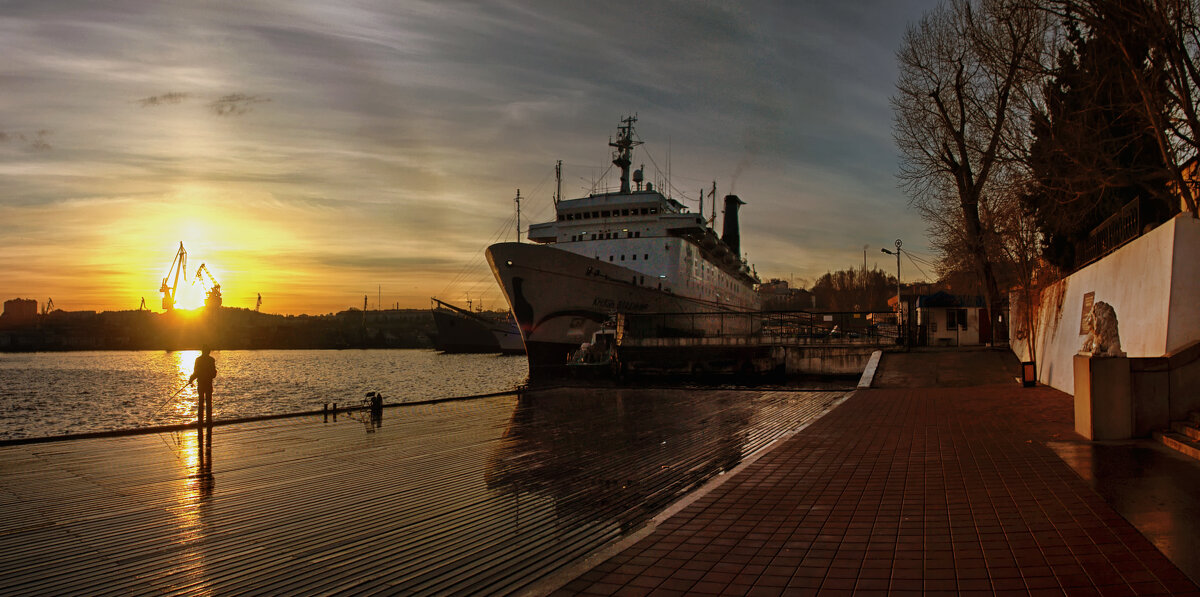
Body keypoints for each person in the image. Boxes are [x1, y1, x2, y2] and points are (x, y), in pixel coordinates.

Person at [188, 346, 217, 427]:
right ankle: (209, 421)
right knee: (208, 402)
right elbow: (213, 372)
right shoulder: (211, 360)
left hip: (201, 383)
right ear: (208, 351)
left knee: (201, 402)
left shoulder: (198, 360)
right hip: (208, 383)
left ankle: (200, 422)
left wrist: (191, 379)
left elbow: (196, 372)